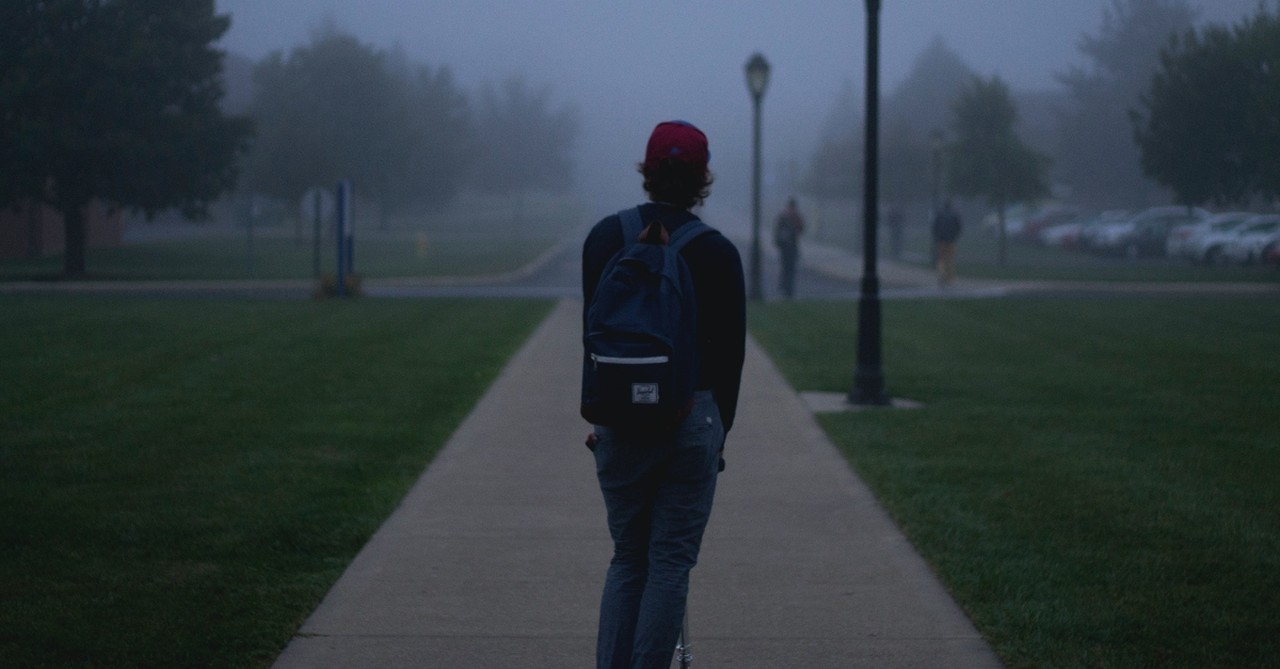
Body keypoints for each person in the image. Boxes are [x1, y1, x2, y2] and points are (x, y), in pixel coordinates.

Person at [581, 120, 746, 669]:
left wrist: (602, 417)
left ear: (647, 172)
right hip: (690, 419)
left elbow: (594, 338)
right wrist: (719, 433)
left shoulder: (605, 238)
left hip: (620, 424)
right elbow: (730, 361)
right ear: (702, 180)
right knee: (670, 561)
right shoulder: (718, 253)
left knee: (628, 560)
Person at [773, 197, 805, 298]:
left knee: (788, 268)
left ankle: (787, 289)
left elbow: (801, 228)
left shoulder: (788, 217)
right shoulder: (789, 217)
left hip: (790, 247)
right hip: (787, 247)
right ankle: (786, 288)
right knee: (787, 268)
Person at [931, 200, 963, 286]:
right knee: (950, 260)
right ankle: (949, 278)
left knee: (941, 259)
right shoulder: (955, 215)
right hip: (951, 241)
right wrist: (955, 236)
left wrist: (936, 237)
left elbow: (934, 227)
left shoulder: (939, 215)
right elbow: (959, 227)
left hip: (941, 241)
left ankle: (941, 274)